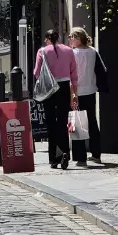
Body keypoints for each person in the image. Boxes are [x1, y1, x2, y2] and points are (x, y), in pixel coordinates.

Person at [34, 29, 78, 169]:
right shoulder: (68, 51)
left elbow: (36, 72)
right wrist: (74, 93)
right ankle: (65, 152)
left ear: (47, 39)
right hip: (64, 87)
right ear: (58, 38)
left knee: (51, 123)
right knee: (63, 122)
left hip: (49, 88)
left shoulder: (42, 51)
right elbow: (74, 73)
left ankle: (54, 158)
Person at [69, 27, 108, 165]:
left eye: (72, 37)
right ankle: (96, 154)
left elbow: (71, 75)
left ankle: (81, 157)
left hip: (77, 92)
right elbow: (102, 70)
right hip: (90, 91)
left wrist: (72, 94)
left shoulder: (72, 53)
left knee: (78, 123)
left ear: (78, 38)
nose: (70, 40)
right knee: (92, 122)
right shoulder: (93, 51)